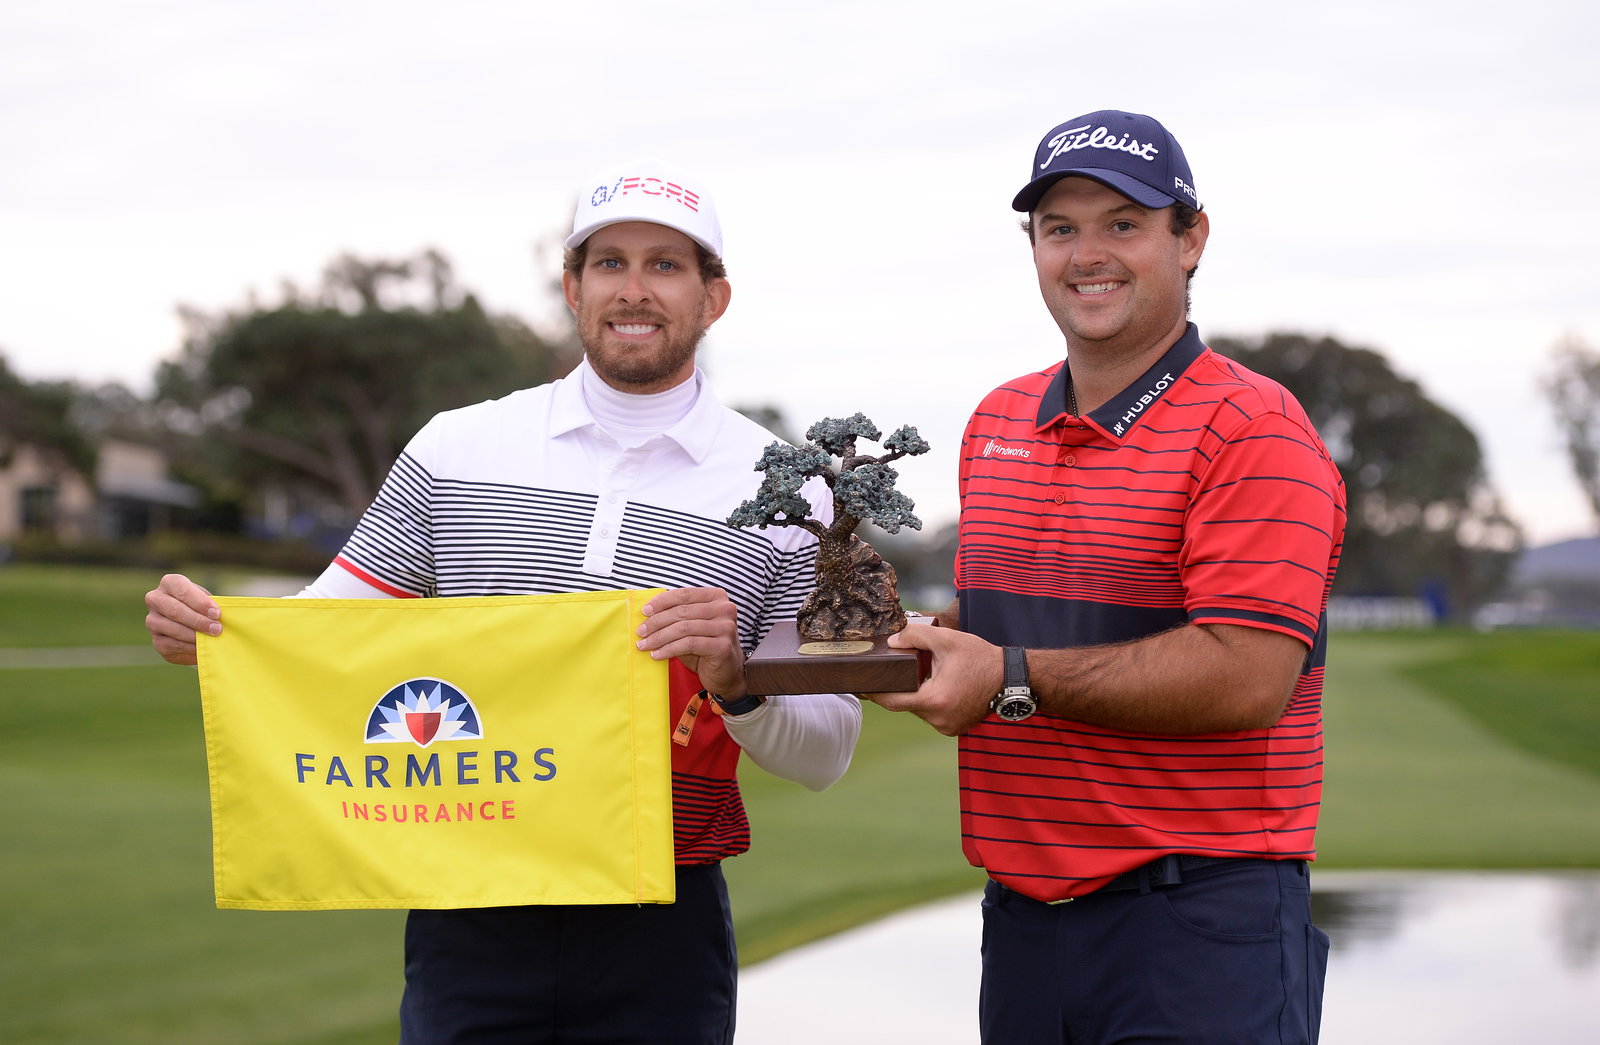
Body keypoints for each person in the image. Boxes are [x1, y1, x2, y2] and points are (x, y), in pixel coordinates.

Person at [144, 157, 861, 1044]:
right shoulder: (457, 448)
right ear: (571, 287)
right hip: (471, 905)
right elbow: (327, 625)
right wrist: (215, 631)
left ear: (713, 297)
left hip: (664, 920)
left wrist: (737, 682)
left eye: (666, 265)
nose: (634, 289)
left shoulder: (794, 493)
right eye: (609, 262)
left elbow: (827, 750)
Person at [869, 111, 1346, 1044]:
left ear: (1190, 238)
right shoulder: (995, 421)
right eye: (1060, 228)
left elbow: (1248, 673)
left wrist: (1007, 675)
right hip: (1022, 922)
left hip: (1200, 922)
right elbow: (1010, 616)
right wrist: (894, 643)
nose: (1087, 254)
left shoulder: (1254, 428)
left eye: (1122, 224)